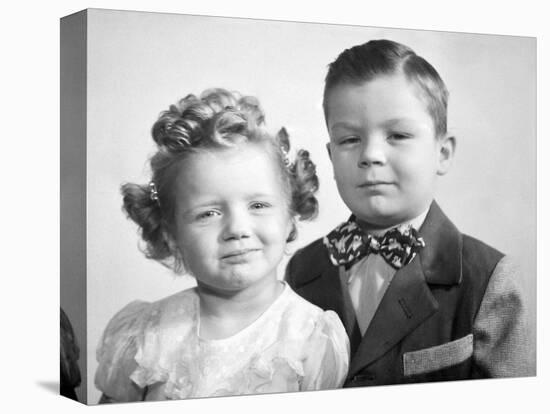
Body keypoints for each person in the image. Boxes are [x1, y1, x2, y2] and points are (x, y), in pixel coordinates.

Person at [285, 39, 533, 386]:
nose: (370, 154)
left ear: (442, 153)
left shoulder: (488, 279)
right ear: (330, 156)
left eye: (398, 135)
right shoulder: (302, 271)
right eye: (349, 140)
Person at [95, 88, 349, 402]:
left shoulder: (310, 337)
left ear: (290, 216)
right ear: (171, 234)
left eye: (258, 205)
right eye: (209, 213)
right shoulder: (145, 335)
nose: (237, 229)